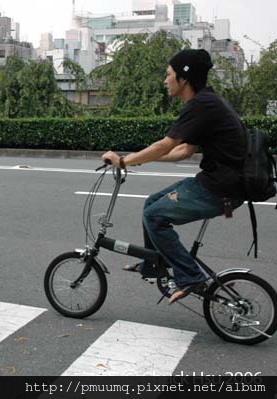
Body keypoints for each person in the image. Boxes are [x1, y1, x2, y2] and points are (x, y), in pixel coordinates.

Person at [101, 49, 247, 305]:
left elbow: (167, 144)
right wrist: (141, 157)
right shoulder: (205, 101)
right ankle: (153, 265)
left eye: (168, 75)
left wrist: (124, 161)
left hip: (221, 188)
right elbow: (183, 151)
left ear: (184, 79)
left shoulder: (201, 105)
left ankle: (190, 277)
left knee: (154, 216)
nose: (164, 80)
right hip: (217, 182)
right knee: (151, 203)